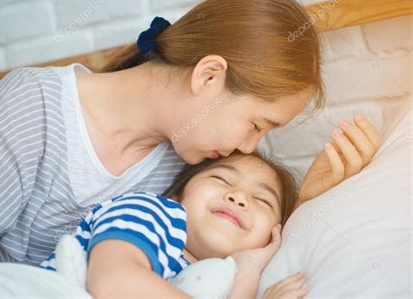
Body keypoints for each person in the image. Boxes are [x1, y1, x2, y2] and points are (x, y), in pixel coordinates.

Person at [0, 0, 378, 276]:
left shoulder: (191, 168)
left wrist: (303, 205)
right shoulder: (32, 106)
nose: (248, 147)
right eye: (256, 124)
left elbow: (219, 261)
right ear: (208, 76)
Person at [39, 110, 381, 299]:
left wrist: (248, 267)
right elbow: (113, 284)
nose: (238, 197)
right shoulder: (149, 212)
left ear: (270, 237)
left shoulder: (222, 278)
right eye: (221, 180)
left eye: (262, 200)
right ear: (178, 196)